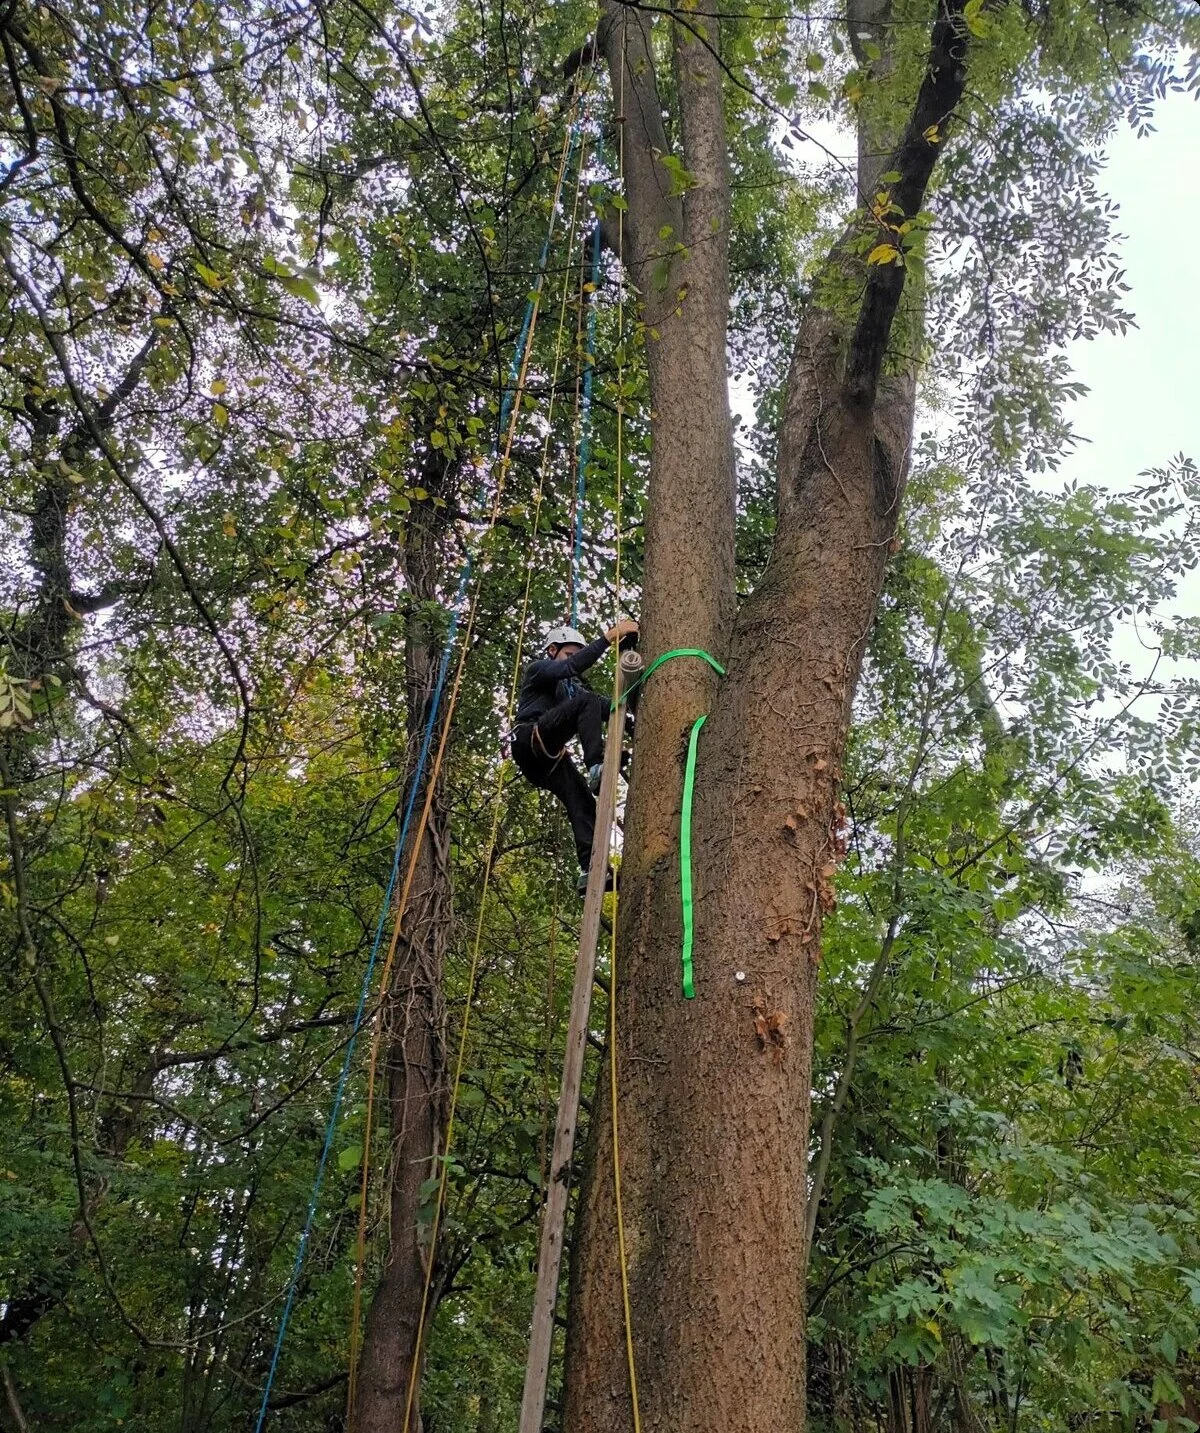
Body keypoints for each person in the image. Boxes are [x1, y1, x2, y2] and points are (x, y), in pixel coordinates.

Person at [511, 619, 638, 892]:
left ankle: (591, 869)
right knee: (587, 702)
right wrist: (608, 638)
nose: (573, 660)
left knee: (581, 799)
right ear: (552, 650)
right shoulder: (538, 671)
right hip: (529, 738)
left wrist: (631, 722)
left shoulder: (570, 689)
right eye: (569, 653)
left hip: (547, 761)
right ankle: (595, 765)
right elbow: (573, 667)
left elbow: (606, 707)